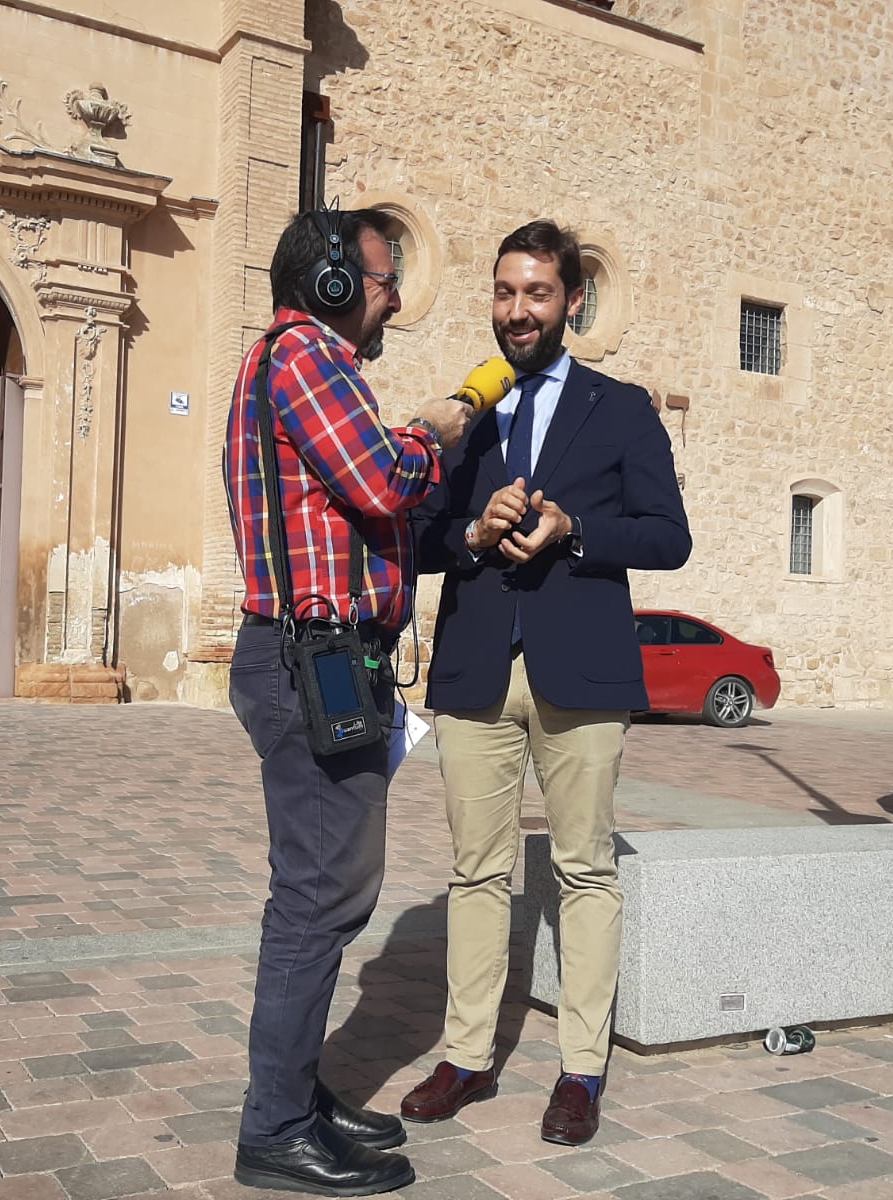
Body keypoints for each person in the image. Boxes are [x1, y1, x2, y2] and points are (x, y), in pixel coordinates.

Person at [401, 220, 691, 1146]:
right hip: (476, 669)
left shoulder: (622, 410)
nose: (517, 311)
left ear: (572, 301)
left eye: (536, 294)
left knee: (584, 870)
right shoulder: (464, 417)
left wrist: (573, 528)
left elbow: (668, 537)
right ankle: (466, 1056)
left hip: (583, 669)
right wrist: (473, 534)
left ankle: (581, 1069)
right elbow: (417, 540)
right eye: (503, 293)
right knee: (475, 871)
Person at [223, 207, 473, 1195]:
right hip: (310, 660)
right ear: (328, 282)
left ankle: (296, 1097)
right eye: (379, 280)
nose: (394, 298)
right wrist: (435, 433)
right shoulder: (306, 356)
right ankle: (273, 1129)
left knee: (330, 893)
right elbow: (378, 480)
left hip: (327, 658)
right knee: (318, 897)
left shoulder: (295, 363)